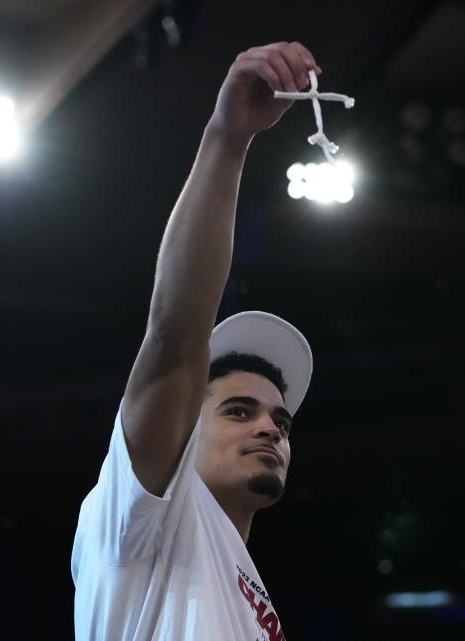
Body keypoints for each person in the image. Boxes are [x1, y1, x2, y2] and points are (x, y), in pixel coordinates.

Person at [71, 41, 321, 641]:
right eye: (239, 410)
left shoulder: (246, 591)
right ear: (183, 427)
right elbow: (178, 333)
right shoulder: (138, 518)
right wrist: (228, 140)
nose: (271, 429)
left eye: (280, 421)